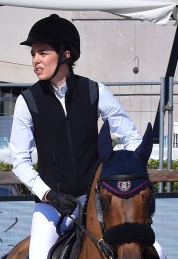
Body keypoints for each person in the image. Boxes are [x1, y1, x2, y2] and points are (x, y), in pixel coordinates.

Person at [10, 14, 165, 259]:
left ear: (65, 54)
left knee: (158, 252)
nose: (36, 61)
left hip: (98, 200)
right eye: (33, 54)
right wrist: (48, 194)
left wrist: (122, 172)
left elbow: (132, 139)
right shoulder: (26, 102)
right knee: (39, 255)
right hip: (52, 207)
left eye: (43, 52)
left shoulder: (96, 91)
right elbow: (19, 161)